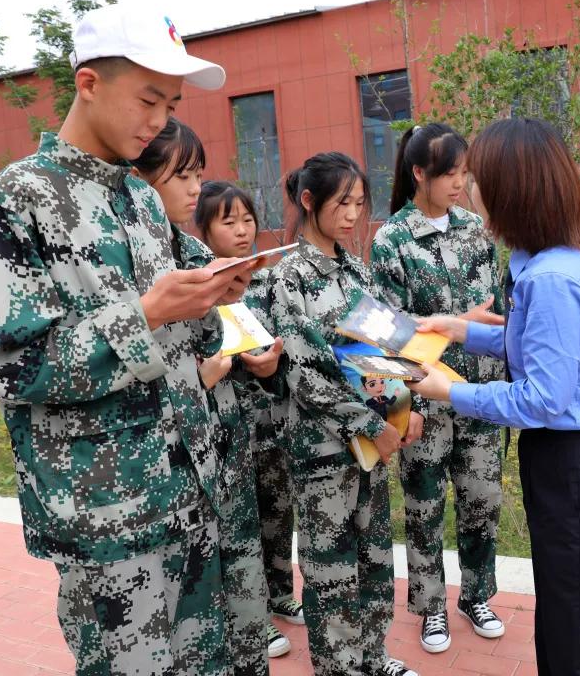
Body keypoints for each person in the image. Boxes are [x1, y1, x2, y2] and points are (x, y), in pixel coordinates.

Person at [0, 4, 260, 675]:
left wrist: (212, 297)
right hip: (109, 521)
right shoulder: (20, 199)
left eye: (173, 103)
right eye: (149, 98)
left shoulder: (139, 199)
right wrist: (148, 314)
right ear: (90, 83)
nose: (161, 121)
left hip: (192, 491)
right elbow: (12, 366)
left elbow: (186, 335)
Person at [409, 118, 580, 676]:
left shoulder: (550, 279)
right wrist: (459, 329)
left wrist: (453, 391)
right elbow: (533, 344)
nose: (470, 189)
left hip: (575, 471)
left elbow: (542, 398)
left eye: (478, 178)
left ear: (513, 190)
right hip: (570, 467)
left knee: (578, 648)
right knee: (565, 633)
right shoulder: (550, 264)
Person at [133, 119, 282, 675]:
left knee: (244, 597)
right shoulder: (127, 260)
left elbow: (222, 335)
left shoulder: (194, 251)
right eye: (181, 175)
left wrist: (255, 357)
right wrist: (202, 375)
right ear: (141, 179)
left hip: (226, 447)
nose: (195, 187)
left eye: (199, 173)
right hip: (168, 468)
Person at [267, 152, 423, 676]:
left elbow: (388, 351)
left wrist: (408, 409)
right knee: (331, 569)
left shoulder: (355, 269)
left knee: (374, 558)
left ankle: (372, 656)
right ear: (309, 201)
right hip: (324, 451)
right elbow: (304, 374)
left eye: (360, 203)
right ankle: (339, 666)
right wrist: (370, 424)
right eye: (343, 203)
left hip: (375, 446)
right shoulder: (288, 278)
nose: (354, 214)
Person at [369, 122, 506, 654]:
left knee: (481, 500)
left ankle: (478, 594)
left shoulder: (475, 232)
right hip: (425, 394)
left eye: (463, 172)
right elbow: (386, 330)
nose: (458, 183)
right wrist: (455, 322)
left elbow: (493, 313)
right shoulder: (392, 241)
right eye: (449, 173)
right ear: (418, 173)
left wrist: (474, 328)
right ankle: (430, 608)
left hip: (480, 393)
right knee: (425, 507)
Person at [194, 179, 300, 660]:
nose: (241, 230)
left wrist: (272, 365)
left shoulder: (269, 282)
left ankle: (281, 594)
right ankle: (252, 614)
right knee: (240, 525)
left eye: (247, 219)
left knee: (279, 513)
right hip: (224, 430)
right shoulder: (196, 288)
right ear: (205, 229)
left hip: (270, 421)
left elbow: (285, 347)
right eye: (228, 221)